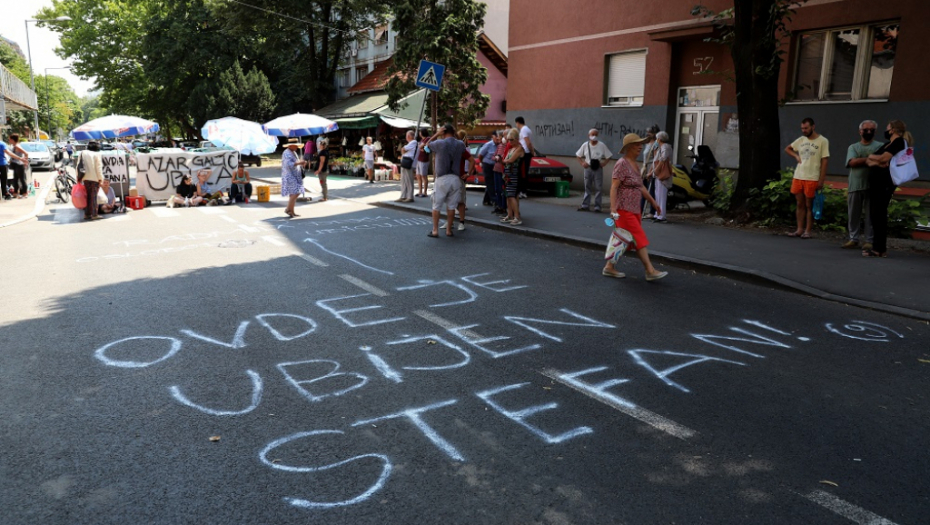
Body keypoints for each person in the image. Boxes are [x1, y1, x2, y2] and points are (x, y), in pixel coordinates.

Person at [603, 133, 667, 282]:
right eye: (637, 145)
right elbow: (614, 187)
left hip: (634, 209)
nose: (640, 147)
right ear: (629, 147)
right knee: (638, 237)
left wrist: (653, 202)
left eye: (641, 144)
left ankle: (609, 267)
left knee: (623, 240)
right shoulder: (621, 164)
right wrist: (613, 209)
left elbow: (640, 187)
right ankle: (650, 270)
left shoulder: (634, 164)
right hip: (623, 209)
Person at [864, 120, 912, 258]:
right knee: (875, 214)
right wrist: (876, 160)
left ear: (893, 130)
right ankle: (877, 247)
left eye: (887, 128)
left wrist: (876, 159)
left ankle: (880, 248)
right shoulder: (887, 144)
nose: (886, 131)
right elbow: (870, 161)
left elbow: (885, 157)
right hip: (877, 183)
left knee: (879, 213)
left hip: (885, 183)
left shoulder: (899, 142)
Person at [784, 117, 829, 239]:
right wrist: (796, 156)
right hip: (799, 175)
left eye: (806, 128)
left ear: (813, 127)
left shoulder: (822, 141)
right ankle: (799, 229)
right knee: (800, 203)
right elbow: (788, 148)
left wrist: (821, 179)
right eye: (802, 128)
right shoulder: (801, 140)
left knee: (809, 205)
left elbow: (825, 161)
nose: (804, 130)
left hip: (812, 177)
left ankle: (808, 230)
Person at [423, 124, 467, 237]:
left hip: (442, 178)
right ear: (454, 132)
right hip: (456, 178)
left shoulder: (439, 143)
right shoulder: (460, 144)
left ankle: (435, 230)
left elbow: (426, 147)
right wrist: (455, 133)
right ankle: (448, 230)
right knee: (452, 206)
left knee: (436, 206)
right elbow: (462, 146)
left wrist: (437, 134)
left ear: (443, 132)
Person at [843, 120, 881, 250]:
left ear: (875, 132)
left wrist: (863, 159)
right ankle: (853, 238)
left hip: (873, 185)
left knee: (870, 215)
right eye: (866, 130)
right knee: (853, 213)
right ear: (860, 131)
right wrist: (871, 159)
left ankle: (869, 240)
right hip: (855, 185)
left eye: (871, 130)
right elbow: (852, 162)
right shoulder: (853, 147)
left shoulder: (880, 146)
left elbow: (884, 161)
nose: (868, 132)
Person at [576, 129, 613, 213]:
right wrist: (582, 163)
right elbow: (578, 155)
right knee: (587, 187)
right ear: (589, 135)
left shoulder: (601, 145)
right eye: (592, 134)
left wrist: (604, 163)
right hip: (588, 167)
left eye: (596, 134)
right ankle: (585, 205)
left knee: (598, 188)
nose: (594, 136)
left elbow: (609, 155)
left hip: (597, 168)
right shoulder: (585, 145)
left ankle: (597, 207)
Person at [501, 128, 524, 225]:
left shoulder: (519, 148)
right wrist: (505, 160)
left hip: (514, 174)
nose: (509, 142)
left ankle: (517, 216)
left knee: (511, 195)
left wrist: (506, 160)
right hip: (508, 174)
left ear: (516, 139)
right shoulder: (511, 149)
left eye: (511, 140)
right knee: (508, 195)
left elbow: (509, 160)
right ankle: (510, 215)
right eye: (508, 140)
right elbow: (505, 159)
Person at [650, 131, 673, 223]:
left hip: (662, 173)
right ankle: (658, 213)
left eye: (657, 138)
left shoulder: (665, 147)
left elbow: (663, 159)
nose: (656, 140)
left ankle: (662, 215)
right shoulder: (660, 147)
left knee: (662, 194)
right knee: (657, 194)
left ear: (659, 139)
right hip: (658, 174)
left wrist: (656, 170)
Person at [282, 138, 309, 217]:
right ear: (291, 145)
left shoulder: (293, 152)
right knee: (296, 192)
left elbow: (295, 163)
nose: (297, 147)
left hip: (294, 175)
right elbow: (289, 164)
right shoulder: (287, 153)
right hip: (290, 175)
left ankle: (291, 211)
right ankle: (288, 209)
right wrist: (299, 162)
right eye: (296, 145)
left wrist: (301, 163)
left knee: (293, 193)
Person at [77, 141, 104, 220]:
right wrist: (100, 179)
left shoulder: (82, 153)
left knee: (88, 197)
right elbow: (98, 168)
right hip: (94, 178)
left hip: (85, 178)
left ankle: (87, 214)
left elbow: (78, 165)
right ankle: (94, 214)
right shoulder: (97, 154)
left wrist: (78, 177)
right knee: (93, 197)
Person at [640, 125, 660, 217]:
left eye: (650, 132)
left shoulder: (655, 144)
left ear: (655, 134)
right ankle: (640, 210)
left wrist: (650, 172)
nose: (648, 134)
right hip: (645, 169)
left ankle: (652, 211)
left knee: (650, 191)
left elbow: (656, 159)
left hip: (650, 170)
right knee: (642, 190)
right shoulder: (647, 143)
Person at [477, 132, 499, 208]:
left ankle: (486, 200)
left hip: (495, 165)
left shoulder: (499, 145)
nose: (498, 140)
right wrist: (481, 162)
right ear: (493, 137)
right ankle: (494, 200)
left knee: (491, 183)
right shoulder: (488, 145)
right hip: (487, 165)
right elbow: (480, 155)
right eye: (496, 138)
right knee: (490, 182)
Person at [515, 117, 533, 199]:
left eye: (516, 123)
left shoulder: (524, 130)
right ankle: (522, 190)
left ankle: (522, 191)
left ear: (518, 123)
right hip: (526, 152)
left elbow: (528, 142)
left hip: (524, 153)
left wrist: (530, 151)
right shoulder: (527, 129)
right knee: (523, 172)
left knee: (522, 172)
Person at [398, 130, 418, 202]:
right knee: (403, 179)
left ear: (409, 136)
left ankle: (410, 196)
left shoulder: (413, 142)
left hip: (408, 161)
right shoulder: (410, 143)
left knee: (409, 179)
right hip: (405, 161)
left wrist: (404, 151)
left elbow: (403, 149)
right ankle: (403, 195)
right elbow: (403, 150)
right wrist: (404, 151)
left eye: (407, 136)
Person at [7, 134, 29, 199]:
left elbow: (26, 153)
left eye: (10, 139)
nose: (9, 140)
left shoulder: (17, 146)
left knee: (22, 179)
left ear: (13, 140)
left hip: (19, 164)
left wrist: (25, 162)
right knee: (15, 179)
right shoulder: (14, 146)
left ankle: (25, 193)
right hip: (16, 164)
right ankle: (15, 193)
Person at [492, 132, 508, 214]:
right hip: (496, 169)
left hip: (503, 170)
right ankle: (499, 206)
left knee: (503, 189)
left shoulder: (508, 146)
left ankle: (504, 207)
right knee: (497, 189)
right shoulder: (499, 146)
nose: (499, 138)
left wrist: (501, 158)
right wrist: (496, 158)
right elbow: (493, 156)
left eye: (500, 136)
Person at [415, 129, 431, 197]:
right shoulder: (421, 140)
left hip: (424, 159)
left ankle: (425, 192)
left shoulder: (427, 139)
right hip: (419, 159)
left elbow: (422, 148)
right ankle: (420, 191)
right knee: (418, 176)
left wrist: (421, 148)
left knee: (423, 176)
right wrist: (421, 148)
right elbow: (420, 148)